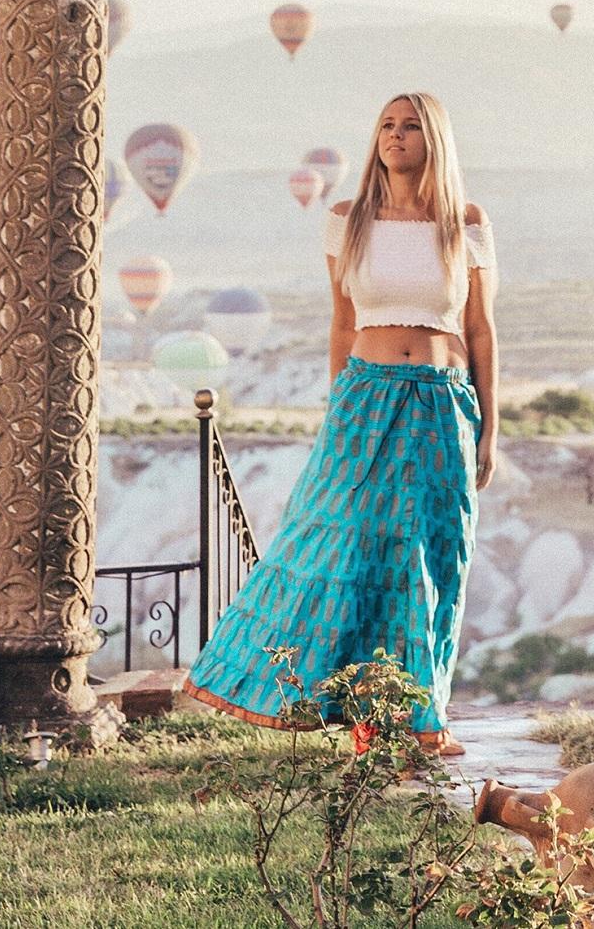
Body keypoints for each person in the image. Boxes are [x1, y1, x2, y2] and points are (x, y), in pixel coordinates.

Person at [181, 91, 499, 754]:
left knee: (437, 556)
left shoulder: (465, 223)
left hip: (442, 401)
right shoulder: (347, 220)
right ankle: (350, 707)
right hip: (365, 397)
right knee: (352, 549)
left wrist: (490, 427)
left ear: (434, 139)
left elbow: (480, 328)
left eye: (411, 126)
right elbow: (342, 322)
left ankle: (421, 714)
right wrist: (337, 412)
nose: (396, 136)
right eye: (386, 124)